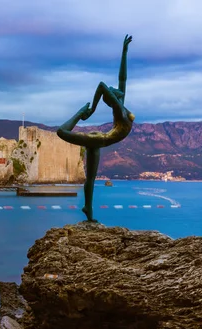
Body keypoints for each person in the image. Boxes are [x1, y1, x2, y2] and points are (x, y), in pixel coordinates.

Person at [57, 34, 135, 222]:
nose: (117, 89)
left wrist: (124, 52)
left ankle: (88, 210)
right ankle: (79, 112)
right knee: (61, 132)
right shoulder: (120, 111)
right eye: (114, 91)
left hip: (100, 140)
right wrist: (89, 110)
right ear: (113, 98)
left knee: (90, 178)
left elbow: (122, 78)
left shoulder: (121, 106)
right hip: (98, 139)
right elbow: (102, 86)